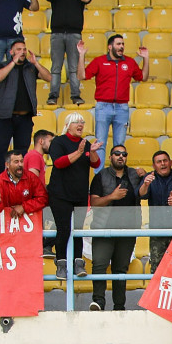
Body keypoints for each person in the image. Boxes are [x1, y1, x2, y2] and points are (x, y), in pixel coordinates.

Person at [87, 144, 145, 311]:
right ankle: (98, 302)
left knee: (120, 269)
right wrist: (112, 196)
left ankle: (119, 306)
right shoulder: (101, 176)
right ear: (110, 157)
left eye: (124, 154)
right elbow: (95, 203)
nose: (121, 156)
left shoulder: (134, 174)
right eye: (117, 153)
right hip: (103, 229)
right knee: (99, 265)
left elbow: (146, 188)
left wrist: (144, 174)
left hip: (127, 229)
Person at [47, 113, 101, 279]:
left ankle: (78, 262)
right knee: (63, 229)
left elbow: (96, 163)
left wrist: (90, 151)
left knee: (78, 230)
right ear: (68, 124)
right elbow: (58, 162)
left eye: (82, 122)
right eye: (77, 122)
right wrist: (78, 152)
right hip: (60, 194)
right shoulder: (59, 141)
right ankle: (61, 262)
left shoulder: (86, 143)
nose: (80, 125)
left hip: (79, 194)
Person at [0, 39, 49, 175]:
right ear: (11, 52)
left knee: (22, 153)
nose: (22, 52)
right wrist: (13, 63)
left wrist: (36, 63)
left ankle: (19, 182)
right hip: (5, 117)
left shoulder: (30, 67)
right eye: (18, 49)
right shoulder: (3, 65)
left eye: (24, 49)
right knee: (0, 151)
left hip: (25, 117)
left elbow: (49, 78)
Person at [79, 34, 148, 148]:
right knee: (99, 144)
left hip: (122, 107)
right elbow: (82, 76)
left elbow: (143, 77)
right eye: (118, 44)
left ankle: (118, 166)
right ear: (110, 47)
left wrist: (146, 58)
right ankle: (99, 167)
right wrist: (81, 55)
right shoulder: (99, 61)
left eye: (123, 44)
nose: (121, 47)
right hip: (103, 106)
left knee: (120, 146)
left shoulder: (129, 62)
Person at [43, 0, 90, 106]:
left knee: (74, 67)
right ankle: (53, 95)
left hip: (74, 34)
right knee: (56, 66)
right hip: (57, 33)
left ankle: (76, 95)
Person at [138, 150, 172, 271]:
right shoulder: (149, 177)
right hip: (158, 231)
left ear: (170, 162)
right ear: (154, 166)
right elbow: (141, 195)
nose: (163, 164)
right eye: (159, 162)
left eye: (165, 160)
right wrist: (145, 185)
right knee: (157, 268)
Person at [0, 148, 48, 219]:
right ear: (7, 164)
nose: (20, 164)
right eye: (16, 162)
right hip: (7, 224)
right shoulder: (0, 181)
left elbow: (43, 199)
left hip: (31, 224)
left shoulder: (31, 177)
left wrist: (24, 207)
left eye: (21, 161)